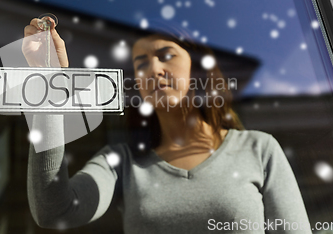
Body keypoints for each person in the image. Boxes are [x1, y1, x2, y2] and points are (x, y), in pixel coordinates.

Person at [23, 18, 312, 233]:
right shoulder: (122, 162)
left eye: (166, 56)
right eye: (141, 63)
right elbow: (53, 210)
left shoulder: (258, 149)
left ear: (197, 68)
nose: (155, 69)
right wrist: (51, 86)